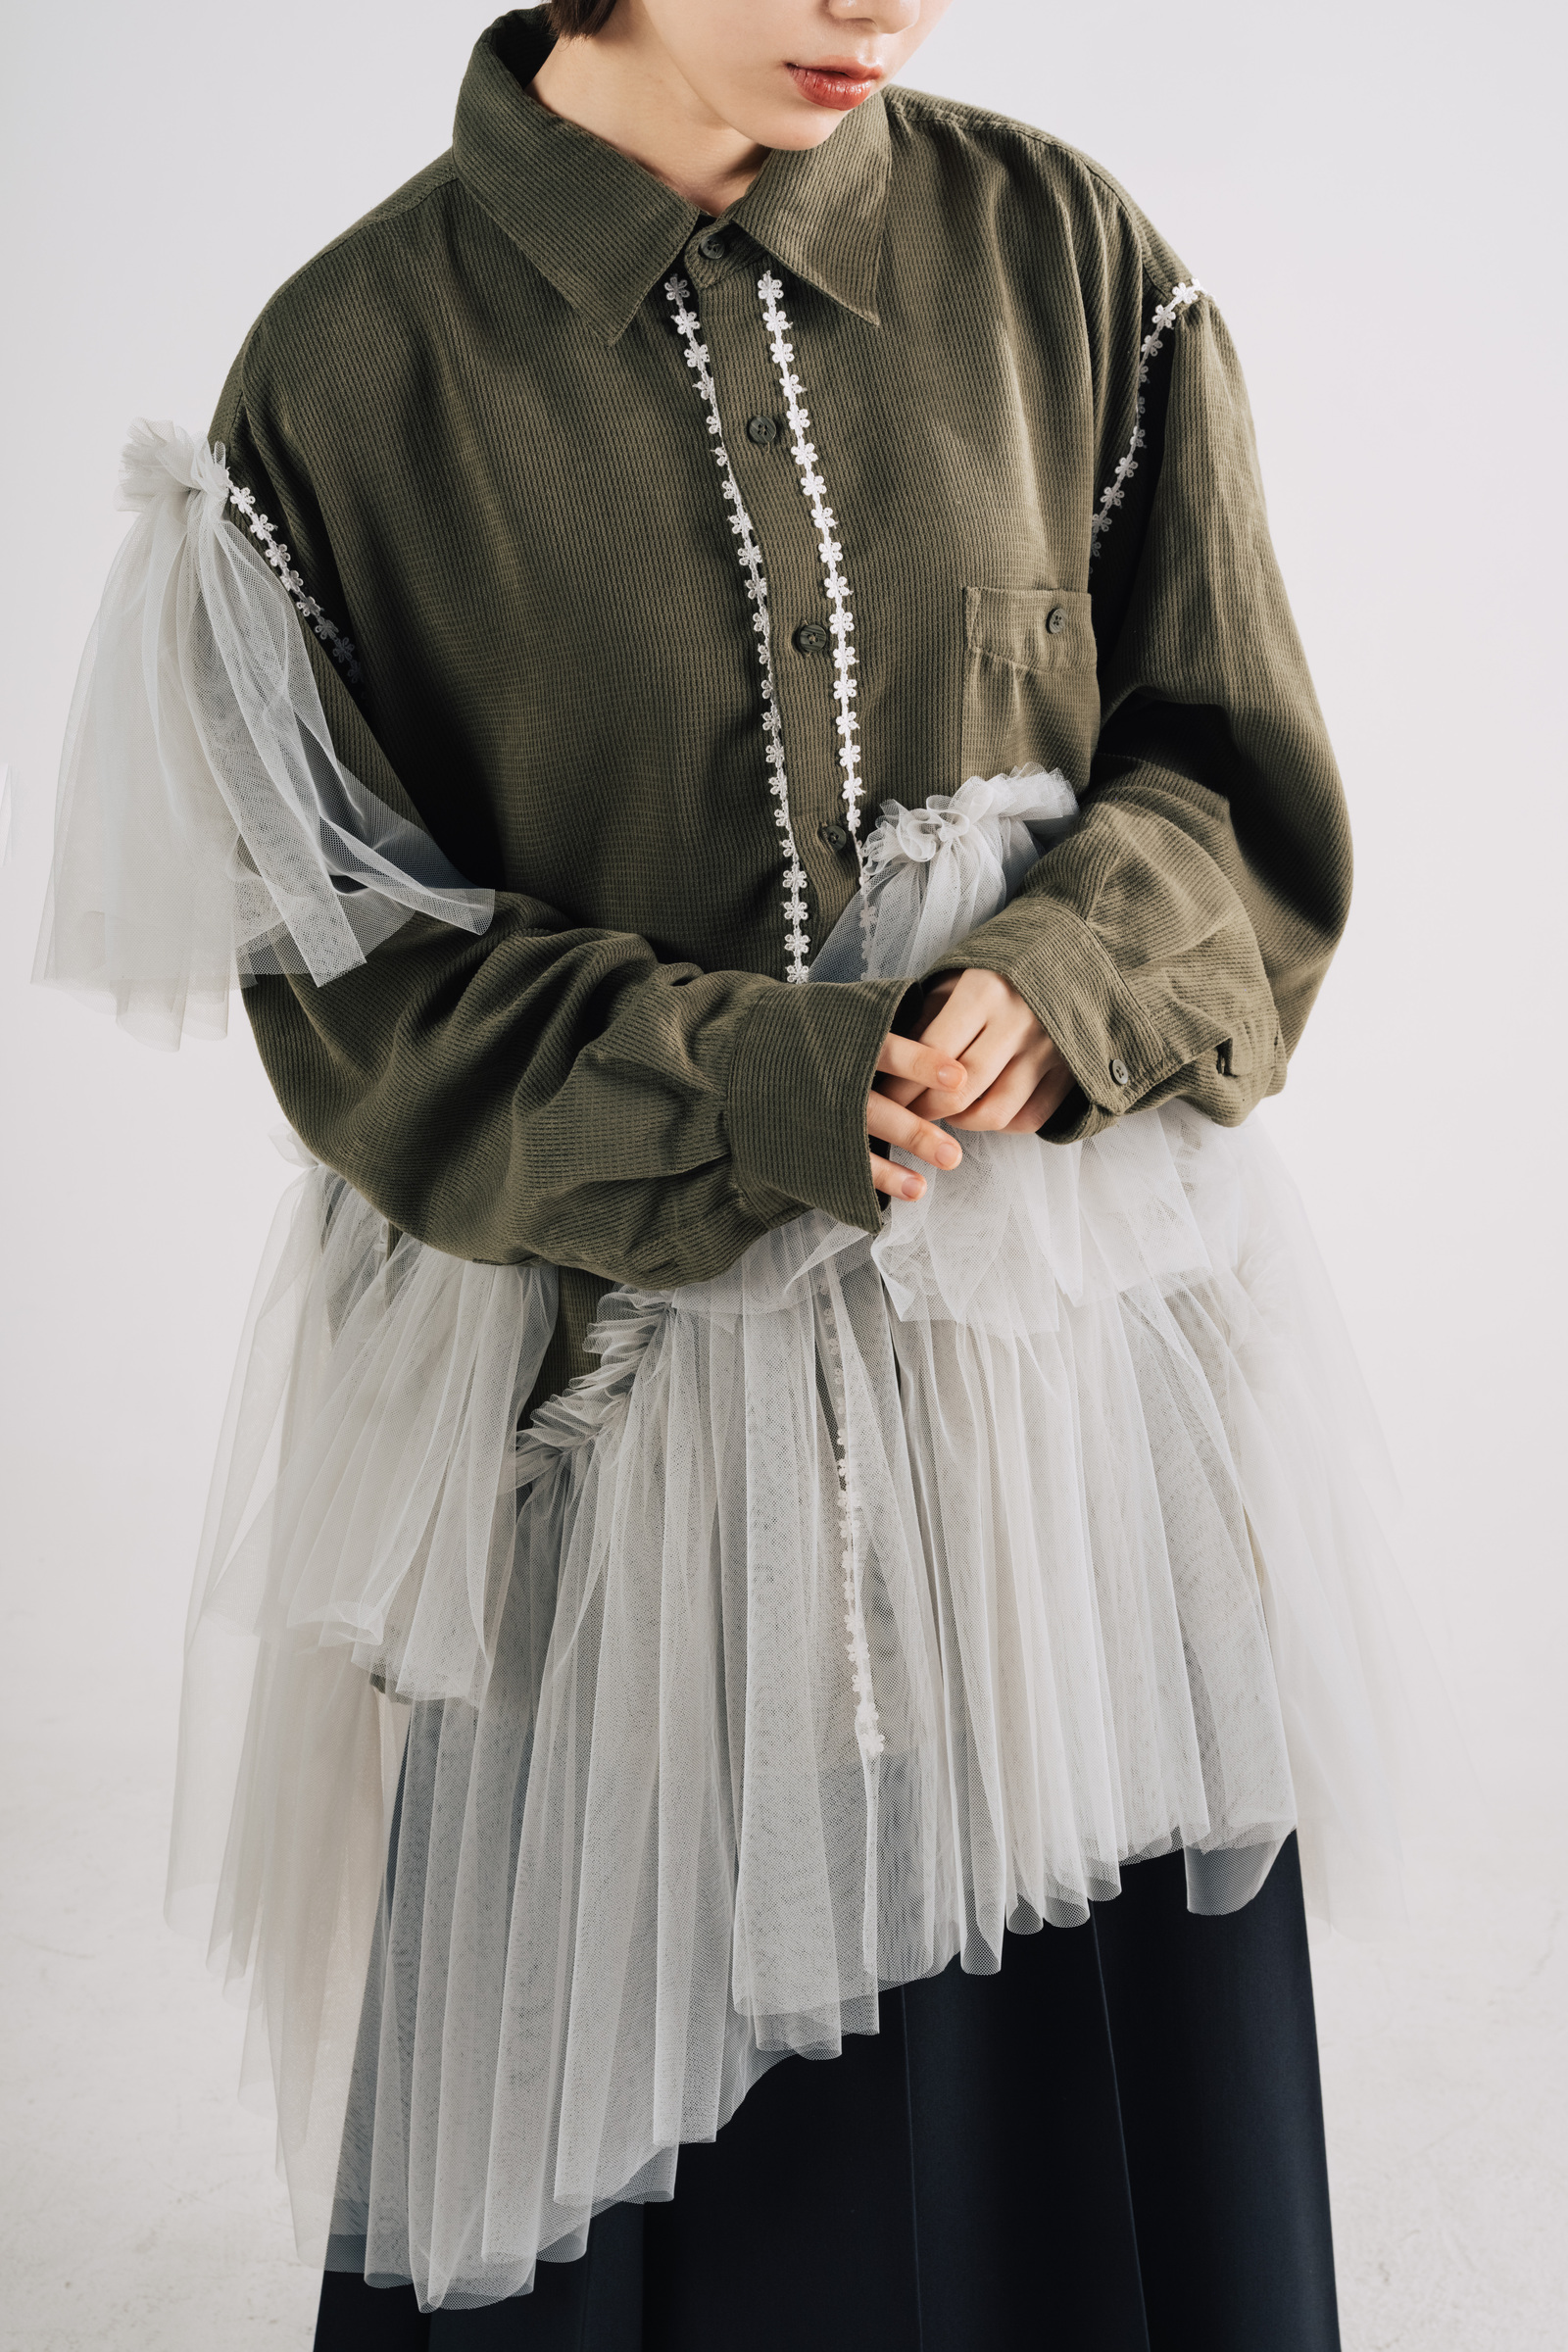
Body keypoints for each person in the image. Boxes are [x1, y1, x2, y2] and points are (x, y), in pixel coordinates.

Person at [35, 3, 1456, 2345]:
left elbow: (1226, 775)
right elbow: (359, 989)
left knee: (1109, 2123)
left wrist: (1068, 977)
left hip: (1053, 1454)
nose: (876, 9)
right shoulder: (350, 379)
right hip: (622, 1463)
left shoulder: (1063, 261)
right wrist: (755, 1086)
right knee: (655, 2144)